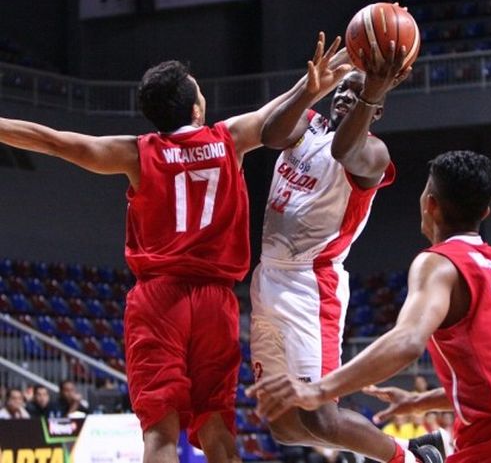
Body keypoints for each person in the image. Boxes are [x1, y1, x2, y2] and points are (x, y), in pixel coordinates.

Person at [0, 33, 348, 463]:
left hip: (158, 300)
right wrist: (320, 82)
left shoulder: (135, 153)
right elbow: (275, 113)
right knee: (218, 429)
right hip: (215, 303)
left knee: (161, 434)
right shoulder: (229, 139)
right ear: (196, 108)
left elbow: (52, 139)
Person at [248, 150, 491, 463]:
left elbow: (407, 342)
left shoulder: (439, 263)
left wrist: (318, 388)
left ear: (430, 204)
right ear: (485, 213)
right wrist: (422, 401)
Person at [250, 34, 439, 463]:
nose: (344, 99)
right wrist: (309, 87)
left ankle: (411, 461)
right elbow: (270, 132)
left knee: (319, 418)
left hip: (309, 286)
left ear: (376, 108)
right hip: (268, 278)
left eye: (356, 95)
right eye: (343, 92)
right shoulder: (309, 124)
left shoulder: (372, 153)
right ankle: (408, 449)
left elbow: (343, 149)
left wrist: (374, 87)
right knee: (281, 424)